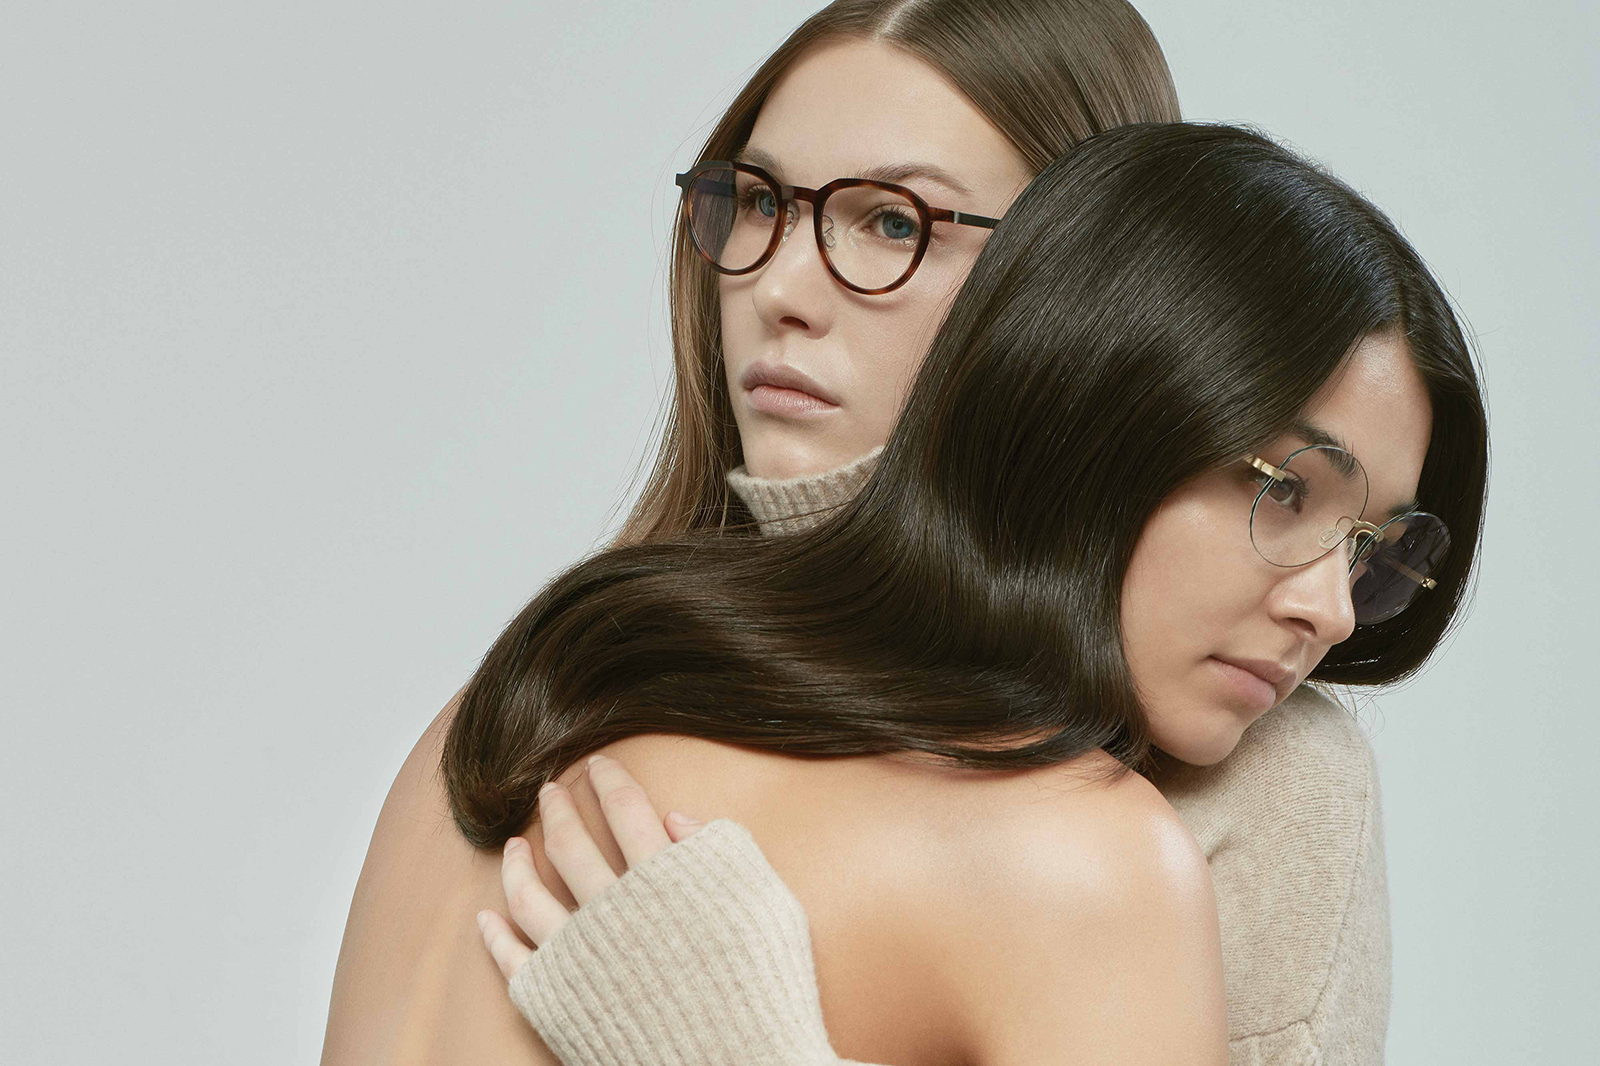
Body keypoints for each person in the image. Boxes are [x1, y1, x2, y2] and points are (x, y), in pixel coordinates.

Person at [318, 4, 1483, 1064]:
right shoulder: (1078, 855)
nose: (782, 283)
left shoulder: (493, 724)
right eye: (760, 202)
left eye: (891, 221)